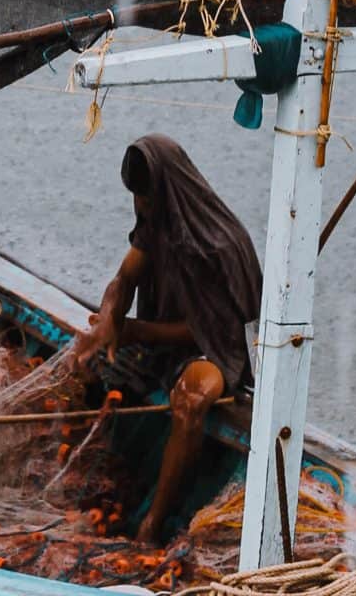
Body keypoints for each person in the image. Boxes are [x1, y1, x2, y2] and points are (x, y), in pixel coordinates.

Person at [76, 134, 263, 544]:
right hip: (161, 342)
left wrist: (135, 330)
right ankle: (93, 475)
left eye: (144, 196)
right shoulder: (155, 222)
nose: (139, 205)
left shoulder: (220, 245)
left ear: (167, 189)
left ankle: (153, 523)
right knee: (86, 357)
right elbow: (125, 278)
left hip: (214, 351)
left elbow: (211, 331)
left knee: (190, 400)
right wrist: (109, 318)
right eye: (135, 197)